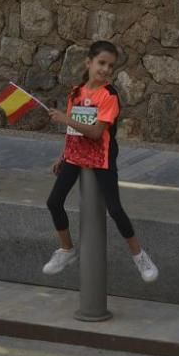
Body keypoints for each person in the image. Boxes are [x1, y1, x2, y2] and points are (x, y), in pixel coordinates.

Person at [43, 40, 158, 283]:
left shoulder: (110, 96)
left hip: (101, 157)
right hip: (75, 156)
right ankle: (66, 249)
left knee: (114, 209)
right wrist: (63, 156)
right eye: (101, 63)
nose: (105, 69)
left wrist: (65, 119)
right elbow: (73, 132)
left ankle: (139, 255)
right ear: (89, 62)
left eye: (110, 66)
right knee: (54, 202)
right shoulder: (76, 92)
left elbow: (96, 133)